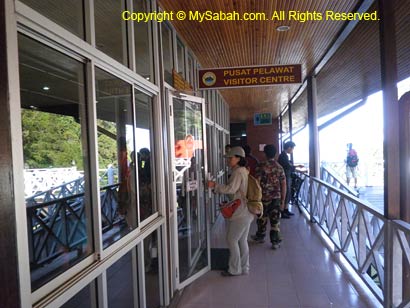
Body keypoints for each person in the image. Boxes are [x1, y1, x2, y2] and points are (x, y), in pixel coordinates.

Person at [207, 146, 254, 276]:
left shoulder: (238, 172)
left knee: (231, 239)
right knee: (242, 240)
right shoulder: (243, 170)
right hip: (247, 211)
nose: (228, 160)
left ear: (238, 158)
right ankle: (244, 267)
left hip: (241, 212)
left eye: (230, 157)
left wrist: (214, 186)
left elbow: (231, 189)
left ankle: (234, 269)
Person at [252, 145, 287, 249]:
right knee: (275, 219)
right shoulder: (279, 167)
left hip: (262, 197)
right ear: (275, 154)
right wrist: (283, 200)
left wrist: (254, 198)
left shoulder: (260, 166)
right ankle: (275, 242)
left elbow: (256, 183)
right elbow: (284, 184)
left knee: (262, 217)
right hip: (276, 197)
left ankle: (260, 236)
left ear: (264, 153)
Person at [278, 141, 303, 218]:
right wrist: (297, 168)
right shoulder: (283, 156)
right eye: (292, 148)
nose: (292, 150)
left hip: (286, 176)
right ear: (289, 148)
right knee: (285, 193)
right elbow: (288, 167)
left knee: (287, 193)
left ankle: (285, 210)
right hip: (285, 177)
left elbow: (288, 166)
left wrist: (296, 166)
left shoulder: (284, 155)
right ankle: (282, 211)